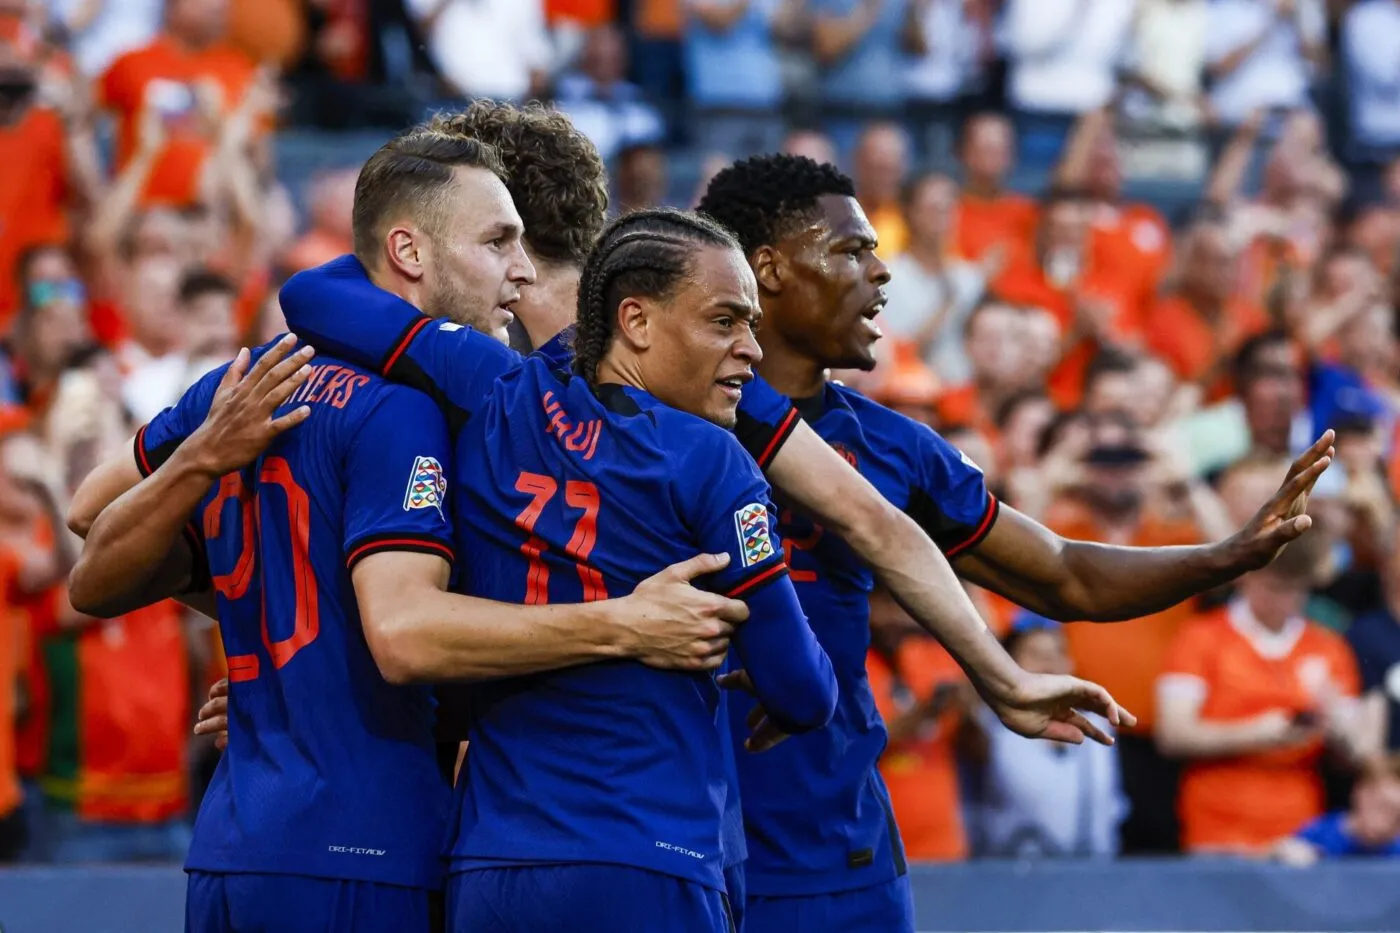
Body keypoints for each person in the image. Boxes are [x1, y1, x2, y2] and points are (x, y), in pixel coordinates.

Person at [66, 129, 753, 933]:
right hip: (366, 846)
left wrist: (284, 629)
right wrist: (626, 624)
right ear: (410, 251)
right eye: (496, 242)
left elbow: (90, 512)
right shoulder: (412, 411)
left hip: (231, 847)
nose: (521, 270)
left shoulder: (247, 380)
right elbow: (402, 633)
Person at [691, 153, 1334, 931]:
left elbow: (1064, 574)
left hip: (838, 847)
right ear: (769, 269)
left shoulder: (896, 447)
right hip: (685, 834)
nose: (880, 272)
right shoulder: (658, 417)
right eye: (851, 251)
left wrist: (1223, 555)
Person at [441, 207, 838, 931]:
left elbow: (317, 295)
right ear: (637, 320)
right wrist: (777, 673)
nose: (752, 348)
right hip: (648, 855)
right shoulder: (708, 456)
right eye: (724, 320)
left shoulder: (494, 409)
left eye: (751, 324)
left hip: (492, 866)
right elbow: (804, 691)